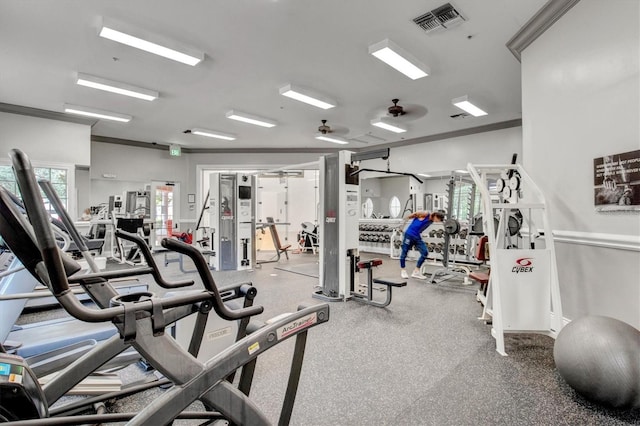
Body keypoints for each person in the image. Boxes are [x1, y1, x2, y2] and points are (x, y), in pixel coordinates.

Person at [399, 210, 444, 279]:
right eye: (439, 219)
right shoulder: (426, 214)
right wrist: (402, 224)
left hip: (417, 237)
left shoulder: (431, 221)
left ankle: (416, 272)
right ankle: (403, 270)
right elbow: (412, 215)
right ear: (435, 216)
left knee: (425, 252)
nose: (438, 221)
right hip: (409, 235)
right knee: (404, 252)